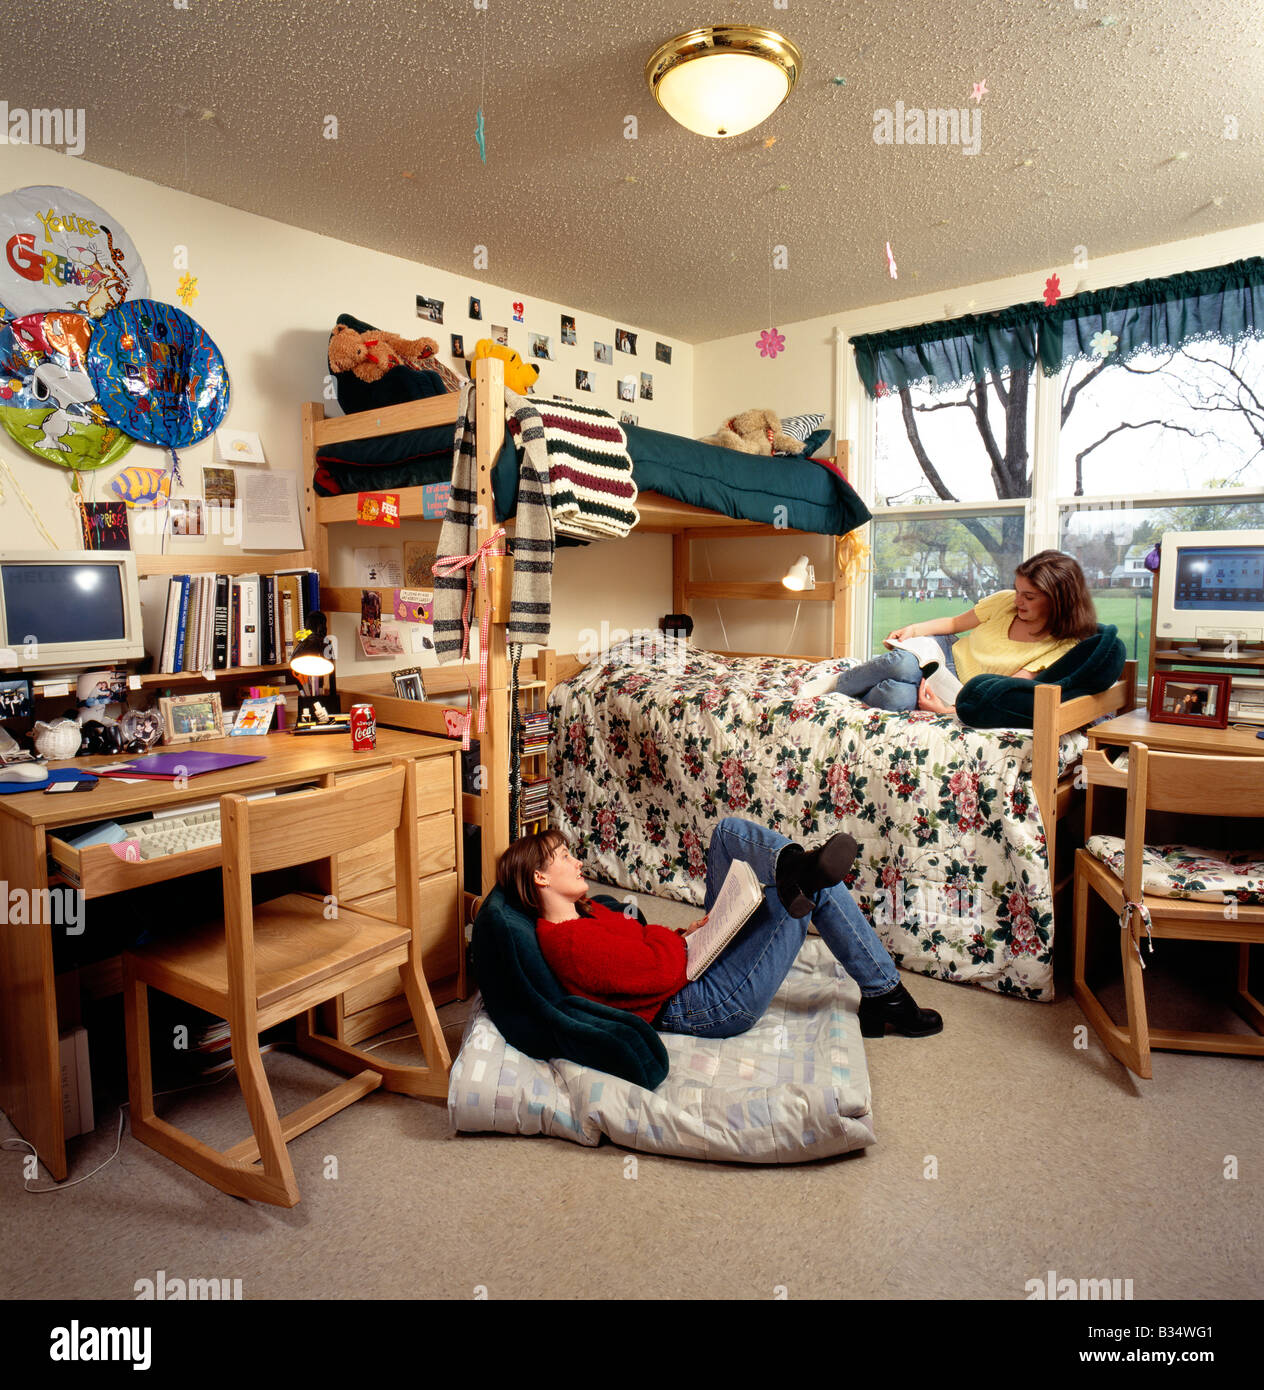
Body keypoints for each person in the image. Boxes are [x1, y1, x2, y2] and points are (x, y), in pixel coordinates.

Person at [497, 821, 942, 1042]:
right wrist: (679, 941)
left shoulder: (586, 913)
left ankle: (791, 865)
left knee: (729, 832)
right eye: (564, 858)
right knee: (809, 894)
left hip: (693, 966)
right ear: (540, 878)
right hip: (705, 1004)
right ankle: (886, 996)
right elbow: (654, 973)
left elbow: (647, 948)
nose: (577, 862)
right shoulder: (571, 943)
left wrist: (685, 933)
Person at [836, 549, 1097, 715]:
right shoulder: (1005, 601)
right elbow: (954, 624)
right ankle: (837, 687)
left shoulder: (1062, 645)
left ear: (1058, 600)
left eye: (1028, 596)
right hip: (946, 652)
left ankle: (857, 692)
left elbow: (1005, 689)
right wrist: (913, 630)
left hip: (964, 688)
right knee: (902, 664)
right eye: (1018, 591)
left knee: (897, 697)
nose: (1017, 601)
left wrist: (949, 710)